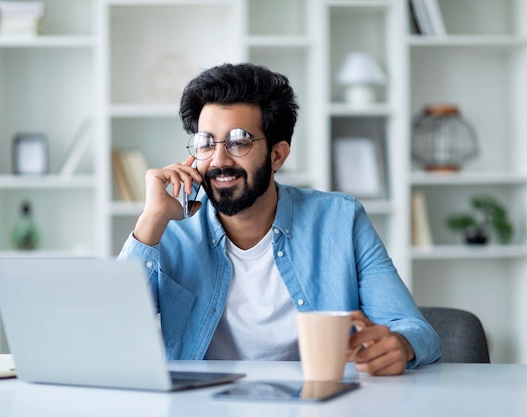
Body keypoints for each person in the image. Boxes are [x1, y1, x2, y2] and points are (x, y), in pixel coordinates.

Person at [118, 62, 441, 376]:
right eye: (206, 142)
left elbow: (412, 328)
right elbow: (113, 331)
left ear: (277, 155)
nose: (218, 160)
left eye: (239, 142)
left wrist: (401, 345)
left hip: (319, 404)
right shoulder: (171, 227)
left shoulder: (340, 219)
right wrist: (151, 220)